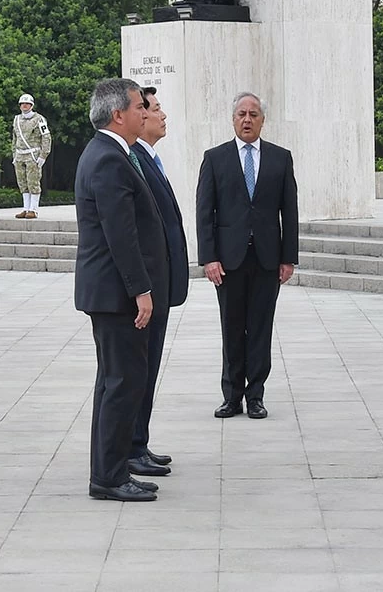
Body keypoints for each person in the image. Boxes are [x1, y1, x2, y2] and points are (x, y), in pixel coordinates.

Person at [74, 78, 168, 502]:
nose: (144, 113)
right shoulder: (109, 158)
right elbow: (120, 235)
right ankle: (110, 477)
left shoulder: (111, 152)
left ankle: (109, 470)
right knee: (122, 381)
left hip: (111, 291)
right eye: (137, 107)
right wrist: (141, 291)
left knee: (114, 382)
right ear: (118, 114)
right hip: (116, 294)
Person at [196, 92, 298, 419]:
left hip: (268, 259)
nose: (247, 119)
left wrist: (288, 257)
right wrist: (209, 258)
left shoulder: (281, 159)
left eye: (254, 114)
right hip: (228, 261)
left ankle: (256, 396)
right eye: (242, 113)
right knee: (232, 327)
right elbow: (203, 213)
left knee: (260, 328)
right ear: (233, 118)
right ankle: (231, 396)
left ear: (263, 120)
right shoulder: (215, 158)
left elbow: (290, 213)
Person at [128, 87, 190, 479]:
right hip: (148, 286)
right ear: (140, 117)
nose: (163, 115)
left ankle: (140, 442)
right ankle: (132, 446)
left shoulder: (151, 158)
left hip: (163, 283)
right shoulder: (134, 160)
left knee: (149, 370)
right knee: (139, 369)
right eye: (155, 108)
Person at [13, 93, 53, 219]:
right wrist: (14, 153)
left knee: (33, 182)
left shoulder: (39, 119)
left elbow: (46, 137)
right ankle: (25, 208)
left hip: (33, 154)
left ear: (32, 105)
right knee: (22, 182)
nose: (24, 106)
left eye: (27, 104)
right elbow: (15, 138)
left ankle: (33, 209)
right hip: (19, 154)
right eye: (22, 104)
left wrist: (43, 155)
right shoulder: (16, 119)